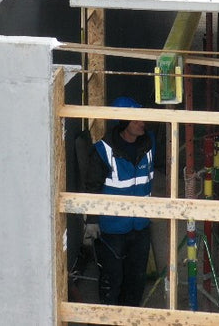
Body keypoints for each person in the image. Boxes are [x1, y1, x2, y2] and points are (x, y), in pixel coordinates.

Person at [81, 97, 161, 306]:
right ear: (124, 123)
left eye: (141, 119)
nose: (141, 124)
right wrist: (92, 220)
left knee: (136, 281)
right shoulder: (103, 151)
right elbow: (92, 188)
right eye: (135, 121)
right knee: (112, 281)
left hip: (140, 226)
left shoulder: (149, 144)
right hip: (112, 230)